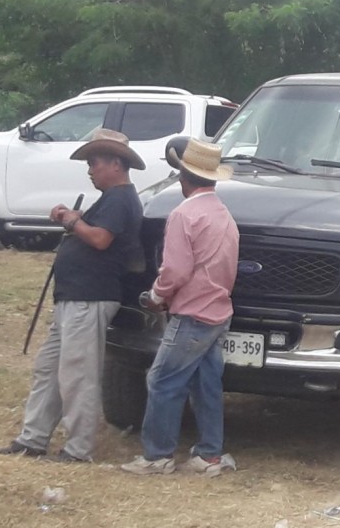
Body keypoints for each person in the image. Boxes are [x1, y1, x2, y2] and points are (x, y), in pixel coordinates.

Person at [0, 129, 144, 462]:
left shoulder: (120, 198)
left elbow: (101, 239)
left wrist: (72, 221)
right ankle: (33, 438)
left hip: (90, 298)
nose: (90, 170)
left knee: (78, 375)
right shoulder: (111, 198)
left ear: (115, 163)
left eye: (94, 163)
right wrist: (72, 219)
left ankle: (78, 449)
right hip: (75, 298)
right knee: (49, 369)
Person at [121, 139, 239, 476]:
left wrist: (155, 297)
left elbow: (175, 271)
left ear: (182, 175)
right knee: (206, 384)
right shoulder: (224, 214)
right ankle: (209, 455)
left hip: (192, 313)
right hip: (218, 311)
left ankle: (157, 456)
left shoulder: (184, 214)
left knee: (162, 380)